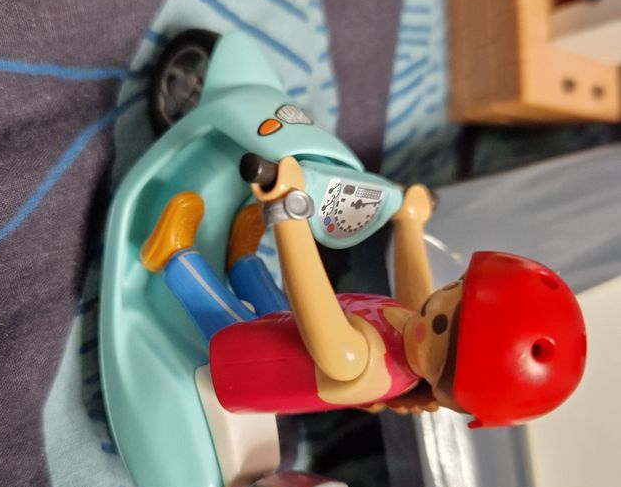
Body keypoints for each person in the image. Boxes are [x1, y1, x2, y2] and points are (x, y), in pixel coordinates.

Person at [140, 156, 587, 428]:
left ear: (449, 385)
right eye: (453, 290)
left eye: (440, 330)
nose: (430, 312)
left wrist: (288, 214)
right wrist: (409, 224)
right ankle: (242, 260)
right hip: (286, 331)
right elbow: (418, 294)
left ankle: (174, 258)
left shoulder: (362, 363)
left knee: (233, 325)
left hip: (245, 366)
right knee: (271, 304)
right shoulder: (415, 332)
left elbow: (314, 301)